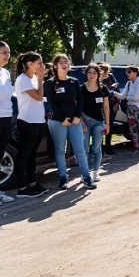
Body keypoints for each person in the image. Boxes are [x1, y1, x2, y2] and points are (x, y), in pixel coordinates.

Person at [45, 54, 96, 190]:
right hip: (58, 121)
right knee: (60, 150)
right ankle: (63, 178)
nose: (64, 64)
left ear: (69, 65)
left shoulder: (73, 81)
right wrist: (62, 118)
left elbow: (80, 100)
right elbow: (52, 103)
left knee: (80, 150)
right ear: (55, 66)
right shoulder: (50, 82)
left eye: (66, 62)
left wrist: (77, 116)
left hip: (75, 121)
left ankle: (86, 178)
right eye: (60, 62)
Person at [13, 52, 49, 198]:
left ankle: (33, 183)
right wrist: (41, 79)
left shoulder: (34, 78)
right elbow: (39, 97)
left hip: (38, 121)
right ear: (29, 63)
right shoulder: (23, 79)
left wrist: (39, 79)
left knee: (32, 155)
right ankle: (22, 188)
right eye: (39, 63)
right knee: (23, 155)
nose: (42, 65)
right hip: (27, 121)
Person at [0, 41, 15, 206]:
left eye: (8, 52)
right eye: (4, 52)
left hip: (6, 118)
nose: (7, 55)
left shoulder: (6, 73)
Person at [115, 65, 139, 156]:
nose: (127, 74)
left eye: (129, 72)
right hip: (130, 110)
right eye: (127, 72)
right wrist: (113, 93)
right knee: (133, 130)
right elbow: (122, 96)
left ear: (135, 73)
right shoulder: (128, 83)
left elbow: (136, 98)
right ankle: (137, 148)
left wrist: (128, 98)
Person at [81, 64, 110, 182]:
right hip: (84, 121)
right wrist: (82, 123)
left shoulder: (103, 89)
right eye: (89, 72)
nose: (92, 75)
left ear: (98, 75)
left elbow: (106, 106)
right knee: (84, 149)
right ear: (86, 74)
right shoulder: (81, 88)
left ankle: (95, 172)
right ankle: (84, 174)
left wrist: (107, 123)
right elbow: (77, 107)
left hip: (99, 122)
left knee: (97, 148)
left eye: (94, 72)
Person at [98, 63, 118, 154]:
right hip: (101, 105)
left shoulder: (111, 76)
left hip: (112, 104)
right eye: (103, 71)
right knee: (101, 125)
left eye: (106, 71)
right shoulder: (97, 79)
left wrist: (117, 102)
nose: (105, 73)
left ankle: (108, 146)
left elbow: (116, 88)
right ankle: (100, 147)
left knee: (110, 124)